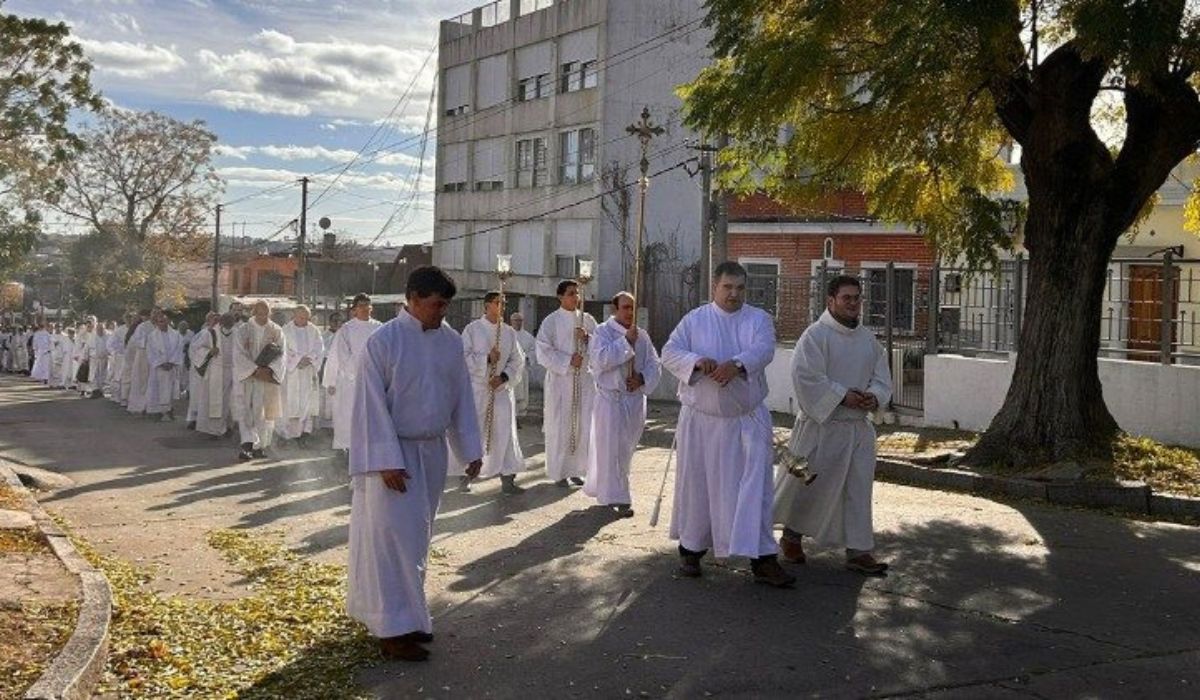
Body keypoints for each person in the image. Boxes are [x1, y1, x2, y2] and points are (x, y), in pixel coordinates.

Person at [347, 266, 482, 663]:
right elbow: (369, 406)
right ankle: (391, 628)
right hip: (394, 458)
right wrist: (384, 460)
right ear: (413, 298)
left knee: (418, 540)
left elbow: (461, 397)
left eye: (446, 305)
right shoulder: (383, 342)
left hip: (432, 451)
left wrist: (469, 448)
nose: (443, 312)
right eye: (437, 304)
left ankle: (410, 618)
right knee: (394, 543)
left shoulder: (451, 342)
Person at [661, 261, 795, 588]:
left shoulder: (758, 319)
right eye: (727, 288)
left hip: (745, 422)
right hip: (701, 423)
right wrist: (696, 362)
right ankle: (691, 550)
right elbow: (669, 352)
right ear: (715, 288)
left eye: (739, 288)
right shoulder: (695, 320)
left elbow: (762, 350)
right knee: (697, 487)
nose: (734, 294)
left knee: (754, 491)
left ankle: (762, 559)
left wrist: (737, 365)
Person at [774, 275, 892, 575]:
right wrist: (842, 397)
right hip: (821, 426)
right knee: (806, 487)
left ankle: (859, 550)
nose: (853, 304)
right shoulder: (815, 336)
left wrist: (873, 398)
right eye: (846, 298)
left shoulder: (868, 340)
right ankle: (790, 538)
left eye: (857, 298)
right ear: (831, 301)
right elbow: (806, 377)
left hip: (856, 432)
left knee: (857, 491)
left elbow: (882, 379)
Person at [585, 292, 661, 517]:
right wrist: (625, 342)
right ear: (614, 309)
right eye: (626, 308)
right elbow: (600, 361)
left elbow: (654, 364)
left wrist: (642, 379)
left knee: (625, 449)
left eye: (633, 308)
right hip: (611, 400)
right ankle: (616, 497)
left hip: (634, 400)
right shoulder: (602, 332)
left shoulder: (642, 335)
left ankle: (611, 490)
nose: (630, 312)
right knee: (611, 449)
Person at [452, 292, 526, 494]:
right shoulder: (472, 329)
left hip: (500, 390)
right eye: (497, 302)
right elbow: (461, 356)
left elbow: (517, 360)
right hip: (478, 389)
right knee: (473, 431)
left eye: (504, 302)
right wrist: (486, 359)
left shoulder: (509, 332)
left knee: (505, 431)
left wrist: (503, 377)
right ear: (486, 306)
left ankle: (508, 477)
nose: (502, 305)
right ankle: (466, 475)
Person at [536, 280, 598, 487]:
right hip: (561, 382)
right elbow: (542, 351)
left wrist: (588, 338)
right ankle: (559, 472)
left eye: (578, 293)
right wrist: (568, 360)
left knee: (582, 424)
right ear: (560, 297)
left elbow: (600, 347)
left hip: (583, 381)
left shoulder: (587, 320)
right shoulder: (551, 322)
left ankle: (576, 470)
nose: (576, 297)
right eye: (571, 293)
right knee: (560, 426)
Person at [323, 294, 382, 451]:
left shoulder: (380, 328)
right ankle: (348, 449)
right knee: (349, 415)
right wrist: (333, 381)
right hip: (351, 381)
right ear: (354, 310)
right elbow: (340, 356)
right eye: (361, 305)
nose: (365, 308)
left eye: (367, 305)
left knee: (370, 416)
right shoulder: (346, 329)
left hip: (374, 380)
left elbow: (384, 353)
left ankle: (370, 449)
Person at [232, 300, 287, 461]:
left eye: (265, 313)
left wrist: (269, 370)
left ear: (270, 313)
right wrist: (254, 370)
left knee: (263, 413)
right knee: (246, 411)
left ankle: (260, 446)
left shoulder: (276, 331)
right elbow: (238, 353)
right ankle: (247, 445)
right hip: (248, 378)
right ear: (253, 312)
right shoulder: (243, 330)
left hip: (266, 378)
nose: (262, 316)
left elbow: (282, 354)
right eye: (259, 313)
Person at [278, 305, 324, 445]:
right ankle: (287, 434)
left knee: (307, 402)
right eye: (301, 317)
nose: (304, 320)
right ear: (294, 316)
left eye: (306, 318)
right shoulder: (285, 330)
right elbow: (282, 350)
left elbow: (319, 348)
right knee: (289, 402)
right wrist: (298, 360)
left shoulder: (314, 330)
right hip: (291, 373)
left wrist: (309, 359)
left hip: (308, 371)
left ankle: (304, 433)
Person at [190, 313, 233, 437]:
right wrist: (209, 351)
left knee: (229, 402)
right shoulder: (210, 333)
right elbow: (196, 349)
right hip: (215, 371)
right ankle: (213, 430)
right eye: (227, 322)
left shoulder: (237, 333)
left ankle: (227, 426)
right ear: (221, 322)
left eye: (231, 322)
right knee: (214, 401)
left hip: (232, 371)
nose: (229, 325)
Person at [145, 310, 184, 421]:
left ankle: (169, 410)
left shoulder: (176, 335)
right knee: (158, 389)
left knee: (170, 389)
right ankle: (158, 411)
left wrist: (172, 362)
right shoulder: (152, 336)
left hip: (171, 366)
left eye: (163, 321)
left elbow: (179, 349)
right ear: (156, 323)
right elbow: (150, 352)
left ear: (168, 321)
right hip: (159, 368)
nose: (161, 323)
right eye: (159, 322)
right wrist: (161, 363)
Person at [508, 312, 537, 420]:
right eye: (515, 320)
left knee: (522, 394)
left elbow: (533, 350)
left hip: (522, 370)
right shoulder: (507, 334)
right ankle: (511, 416)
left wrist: (527, 357)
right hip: (509, 369)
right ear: (511, 321)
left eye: (519, 320)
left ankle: (519, 417)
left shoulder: (528, 337)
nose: (518, 323)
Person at [318, 312, 343, 431]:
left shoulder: (345, 336)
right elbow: (321, 354)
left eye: (340, 321)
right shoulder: (323, 336)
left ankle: (337, 426)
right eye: (335, 321)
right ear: (330, 322)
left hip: (341, 372)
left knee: (339, 400)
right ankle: (325, 427)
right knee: (325, 399)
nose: (337, 324)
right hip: (326, 368)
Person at [125, 310, 153, 413]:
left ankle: (150, 404)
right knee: (141, 381)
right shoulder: (142, 327)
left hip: (154, 359)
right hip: (142, 356)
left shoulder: (158, 326)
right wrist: (146, 343)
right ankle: (140, 405)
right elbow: (134, 341)